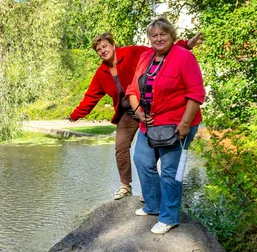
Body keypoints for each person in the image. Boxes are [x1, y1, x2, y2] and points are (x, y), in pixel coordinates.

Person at [69, 31, 203, 200]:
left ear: (112, 44)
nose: (103, 50)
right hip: (129, 113)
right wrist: (75, 115)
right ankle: (126, 186)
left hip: (149, 108)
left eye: (105, 46)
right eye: (98, 49)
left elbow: (160, 50)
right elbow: (91, 97)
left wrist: (187, 45)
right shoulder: (101, 73)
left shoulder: (132, 52)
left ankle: (150, 190)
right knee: (120, 147)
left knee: (151, 150)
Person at [126, 17, 206, 234]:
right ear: (149, 39)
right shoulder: (145, 57)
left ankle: (169, 217)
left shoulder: (184, 57)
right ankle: (153, 205)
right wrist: (139, 112)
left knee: (170, 172)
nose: (158, 38)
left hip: (177, 125)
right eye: (154, 35)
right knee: (142, 160)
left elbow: (196, 93)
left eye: (163, 34)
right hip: (149, 123)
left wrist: (185, 124)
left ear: (172, 36)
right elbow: (132, 89)